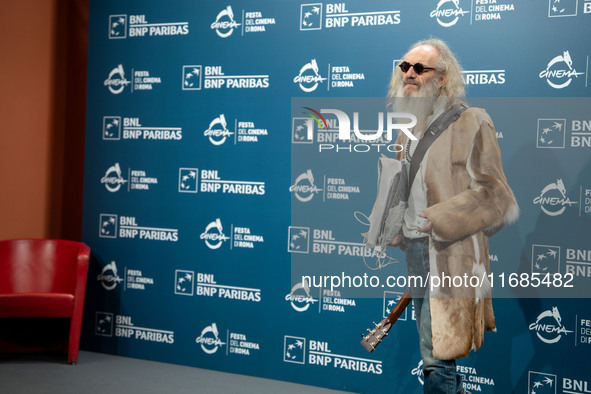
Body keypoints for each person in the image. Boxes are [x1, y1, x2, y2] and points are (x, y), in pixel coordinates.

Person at [387, 39, 519, 393]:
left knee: (437, 354)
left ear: (442, 78)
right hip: (416, 250)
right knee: (434, 347)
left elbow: (497, 197)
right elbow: (407, 189)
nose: (409, 74)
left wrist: (440, 217)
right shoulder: (407, 128)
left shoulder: (472, 122)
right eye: (405, 67)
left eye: (420, 68)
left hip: (452, 254)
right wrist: (394, 223)